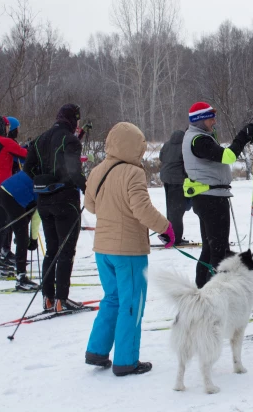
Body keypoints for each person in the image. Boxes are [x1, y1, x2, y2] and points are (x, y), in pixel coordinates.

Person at [84, 122, 174, 376]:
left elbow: (90, 206)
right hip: (129, 252)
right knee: (132, 303)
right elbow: (141, 209)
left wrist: (112, 207)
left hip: (103, 249)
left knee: (112, 299)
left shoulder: (98, 170)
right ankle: (126, 361)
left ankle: (97, 351)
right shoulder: (133, 173)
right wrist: (166, 228)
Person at [182, 102, 253, 288]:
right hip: (210, 199)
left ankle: (202, 291)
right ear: (200, 120)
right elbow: (229, 156)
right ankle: (213, 294)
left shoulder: (199, 137)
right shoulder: (198, 140)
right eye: (210, 117)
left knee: (209, 249)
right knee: (219, 251)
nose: (214, 121)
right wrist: (243, 137)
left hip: (208, 196)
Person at [24, 104, 87, 312]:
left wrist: (43, 181)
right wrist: (87, 188)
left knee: (51, 250)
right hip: (66, 200)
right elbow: (74, 170)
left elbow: (28, 168)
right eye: (77, 120)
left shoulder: (40, 139)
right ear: (72, 120)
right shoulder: (70, 140)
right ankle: (62, 299)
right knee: (66, 250)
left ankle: (48, 297)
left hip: (44, 201)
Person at [0, 116, 28, 278]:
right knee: (2, 224)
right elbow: (24, 154)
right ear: (4, 128)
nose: (9, 130)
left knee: (3, 223)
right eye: (8, 127)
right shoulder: (5, 141)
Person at [0, 171, 41, 291]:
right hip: (11, 196)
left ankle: (4, 251)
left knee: (18, 227)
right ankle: (21, 278)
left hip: (3, 190)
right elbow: (36, 217)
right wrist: (33, 239)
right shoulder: (45, 185)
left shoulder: (40, 169)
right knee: (23, 237)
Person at [160, 130, 190, 245]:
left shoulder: (167, 144)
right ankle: (176, 238)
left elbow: (161, 157)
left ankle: (169, 235)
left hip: (166, 180)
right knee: (177, 212)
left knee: (171, 210)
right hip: (178, 181)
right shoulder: (184, 146)